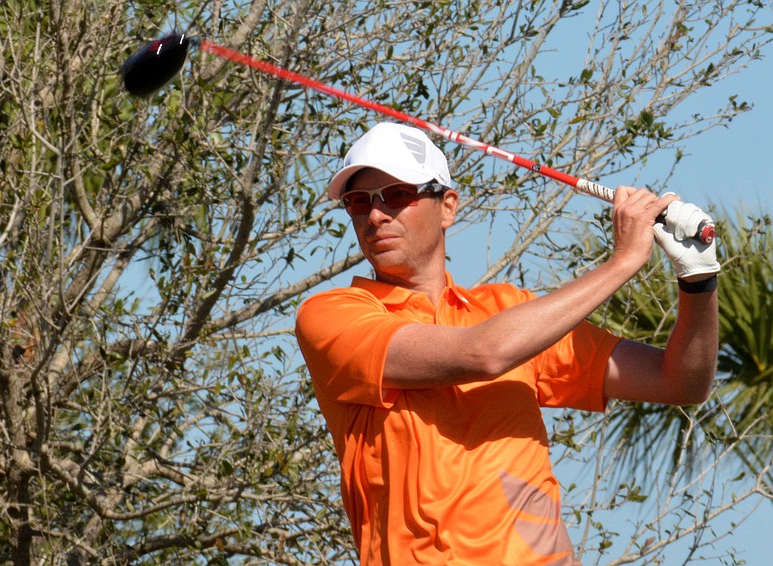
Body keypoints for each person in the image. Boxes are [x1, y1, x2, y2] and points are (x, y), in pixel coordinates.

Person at [294, 122, 719, 565]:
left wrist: (699, 281)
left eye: (398, 194)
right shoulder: (331, 315)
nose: (376, 215)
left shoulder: (509, 310)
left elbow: (679, 382)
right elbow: (484, 353)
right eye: (358, 202)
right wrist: (623, 261)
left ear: (447, 207)